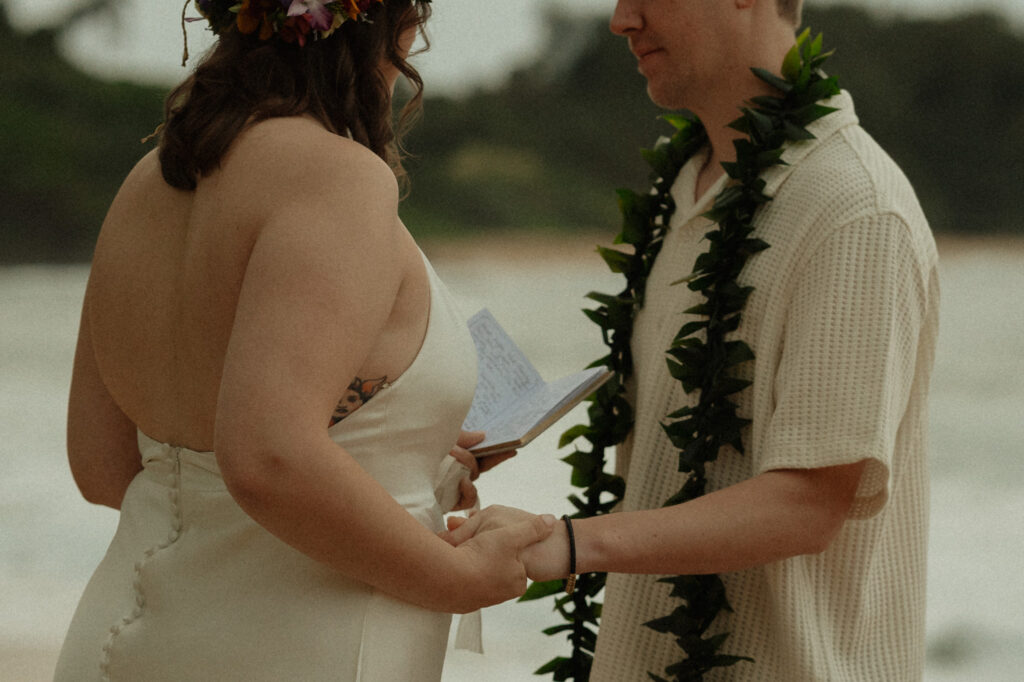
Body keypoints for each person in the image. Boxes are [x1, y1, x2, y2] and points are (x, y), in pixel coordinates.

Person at [54, 1, 552, 680]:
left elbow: (101, 466)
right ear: (390, 25)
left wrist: (405, 457)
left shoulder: (150, 181)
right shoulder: (338, 178)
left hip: (116, 637)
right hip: (297, 644)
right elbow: (267, 456)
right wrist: (461, 577)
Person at [444, 0, 939, 679]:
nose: (621, 20)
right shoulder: (686, 181)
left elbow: (807, 503)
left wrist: (563, 543)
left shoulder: (853, 208)